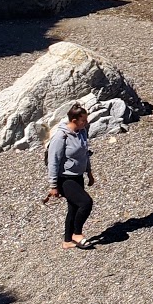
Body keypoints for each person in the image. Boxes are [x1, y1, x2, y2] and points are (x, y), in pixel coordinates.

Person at [44, 104, 95, 249]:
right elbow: (53, 161)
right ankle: (77, 234)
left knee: (73, 207)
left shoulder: (82, 132)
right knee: (86, 203)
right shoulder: (61, 136)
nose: (86, 122)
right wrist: (53, 185)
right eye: (83, 120)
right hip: (65, 179)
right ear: (73, 120)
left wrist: (89, 173)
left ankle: (67, 241)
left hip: (78, 176)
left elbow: (85, 154)